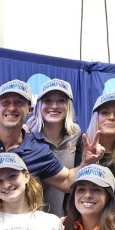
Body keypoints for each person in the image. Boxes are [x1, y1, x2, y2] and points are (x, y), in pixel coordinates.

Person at [0, 79, 99, 196]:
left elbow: (67, 180)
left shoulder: (38, 151)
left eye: (19, 102)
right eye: (6, 102)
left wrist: (87, 162)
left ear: (29, 110)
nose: (12, 108)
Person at [28, 78, 81, 216]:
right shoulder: (27, 136)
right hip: (31, 222)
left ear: (69, 105)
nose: (54, 106)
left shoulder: (76, 134)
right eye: (48, 100)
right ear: (39, 105)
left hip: (66, 222)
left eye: (61, 100)